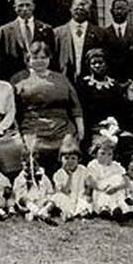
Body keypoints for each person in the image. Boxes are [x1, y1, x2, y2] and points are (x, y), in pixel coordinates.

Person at [11, 41, 83, 177]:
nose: (40, 61)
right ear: (28, 59)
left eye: (43, 57)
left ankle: (68, 184)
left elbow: (75, 105)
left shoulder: (61, 78)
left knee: (69, 149)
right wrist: (17, 131)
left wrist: (80, 127)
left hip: (62, 125)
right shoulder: (19, 79)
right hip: (33, 126)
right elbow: (12, 108)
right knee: (33, 150)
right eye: (35, 58)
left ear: (49, 58)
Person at [75, 49, 129, 149]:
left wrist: (114, 122)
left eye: (100, 62)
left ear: (106, 63)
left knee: (127, 140)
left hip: (114, 125)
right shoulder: (83, 85)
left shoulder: (114, 85)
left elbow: (122, 108)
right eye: (93, 63)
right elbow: (82, 109)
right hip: (93, 128)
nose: (97, 66)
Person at [0, 0, 54, 80]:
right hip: (14, 76)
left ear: (33, 6)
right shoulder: (5, 31)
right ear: (15, 8)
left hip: (41, 77)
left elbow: (51, 55)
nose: (24, 9)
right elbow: (1, 58)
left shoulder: (46, 29)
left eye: (28, 5)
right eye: (20, 5)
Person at [53, 0, 109, 84]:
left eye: (84, 6)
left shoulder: (100, 34)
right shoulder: (57, 33)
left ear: (90, 11)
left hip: (90, 85)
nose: (80, 7)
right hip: (64, 82)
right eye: (77, 6)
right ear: (70, 9)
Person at [85, 134, 129, 219]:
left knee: (117, 181)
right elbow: (90, 182)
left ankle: (116, 209)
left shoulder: (116, 166)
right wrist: (103, 188)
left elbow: (125, 182)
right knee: (102, 194)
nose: (106, 157)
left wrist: (115, 187)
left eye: (110, 154)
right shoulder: (93, 165)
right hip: (100, 189)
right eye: (103, 153)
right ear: (95, 154)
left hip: (115, 188)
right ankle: (104, 209)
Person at [49, 134, 92, 221]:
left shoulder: (82, 169)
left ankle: (78, 212)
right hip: (67, 198)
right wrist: (70, 177)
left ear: (78, 160)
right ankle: (67, 213)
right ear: (61, 159)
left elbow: (89, 183)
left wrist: (87, 192)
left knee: (85, 202)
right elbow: (64, 191)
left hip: (80, 197)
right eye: (66, 158)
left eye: (73, 158)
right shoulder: (58, 174)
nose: (70, 161)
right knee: (58, 197)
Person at [104, 0, 133, 84]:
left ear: (128, 11)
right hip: (110, 81)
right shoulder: (103, 34)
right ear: (111, 11)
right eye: (117, 9)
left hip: (132, 81)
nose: (119, 12)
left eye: (122, 9)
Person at [12, 151, 56, 222]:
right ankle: (40, 214)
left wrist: (46, 200)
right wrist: (28, 183)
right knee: (24, 200)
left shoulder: (43, 177)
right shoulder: (19, 179)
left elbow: (50, 192)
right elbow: (18, 196)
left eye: (34, 165)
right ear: (22, 165)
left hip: (42, 202)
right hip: (28, 204)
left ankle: (41, 213)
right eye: (28, 165)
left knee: (52, 202)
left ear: (38, 166)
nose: (31, 168)